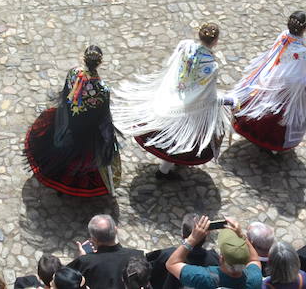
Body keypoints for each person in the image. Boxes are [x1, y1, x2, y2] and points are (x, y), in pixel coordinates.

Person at [113, 23, 229, 177]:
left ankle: (166, 168)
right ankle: (164, 171)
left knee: (171, 135)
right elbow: (207, 93)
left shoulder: (187, 47)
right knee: (180, 140)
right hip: (191, 106)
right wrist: (223, 100)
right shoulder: (211, 66)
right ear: (215, 41)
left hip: (175, 95)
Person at [23, 45, 120, 197]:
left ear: (84, 59)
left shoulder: (73, 74)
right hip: (87, 132)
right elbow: (103, 118)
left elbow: (65, 96)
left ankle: (59, 186)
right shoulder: (102, 90)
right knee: (81, 161)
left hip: (68, 122)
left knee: (62, 155)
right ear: (100, 63)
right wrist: (108, 141)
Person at [229, 11, 306, 153]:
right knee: (276, 119)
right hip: (283, 91)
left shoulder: (284, 36)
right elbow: (296, 80)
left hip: (270, 79)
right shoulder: (301, 52)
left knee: (258, 109)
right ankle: (271, 145)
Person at [165, 216, 263, 289]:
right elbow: (254, 260)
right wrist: (241, 235)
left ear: (221, 258)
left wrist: (192, 239)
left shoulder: (204, 278)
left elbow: (172, 264)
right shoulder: (254, 280)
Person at [68, 215, 147, 289]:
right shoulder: (138, 256)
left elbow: (63, 279)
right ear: (116, 230)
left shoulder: (84, 262)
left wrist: (83, 258)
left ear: (94, 239)